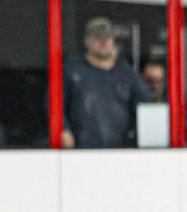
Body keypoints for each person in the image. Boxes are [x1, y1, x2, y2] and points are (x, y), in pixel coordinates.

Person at [61, 17, 151, 148]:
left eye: (107, 37)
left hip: (119, 148)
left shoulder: (126, 73)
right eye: (97, 37)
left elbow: (145, 106)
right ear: (87, 41)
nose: (103, 42)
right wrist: (63, 129)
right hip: (81, 149)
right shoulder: (72, 70)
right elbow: (54, 103)